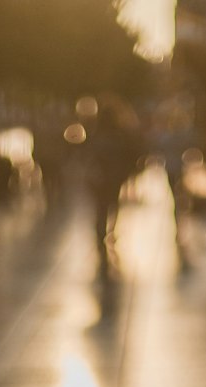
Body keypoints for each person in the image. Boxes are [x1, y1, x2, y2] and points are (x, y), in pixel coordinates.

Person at [86, 95, 144, 266]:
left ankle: (101, 231)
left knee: (101, 205)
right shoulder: (120, 133)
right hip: (114, 175)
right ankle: (109, 230)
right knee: (112, 203)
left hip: (99, 176)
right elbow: (132, 151)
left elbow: (89, 154)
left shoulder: (96, 132)